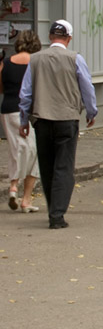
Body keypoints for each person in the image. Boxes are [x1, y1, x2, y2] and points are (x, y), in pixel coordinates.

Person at [18, 19, 98, 229]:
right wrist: (91, 112)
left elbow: (25, 93)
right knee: (63, 166)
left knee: (47, 167)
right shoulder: (75, 59)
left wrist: (23, 120)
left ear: (50, 37)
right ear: (69, 38)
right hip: (67, 118)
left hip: (41, 120)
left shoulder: (35, 59)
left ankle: (53, 208)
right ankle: (57, 215)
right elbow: (87, 87)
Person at [2, 29, 42, 212]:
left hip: (8, 109)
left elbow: (0, 86)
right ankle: (26, 199)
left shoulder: (6, 63)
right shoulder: (36, 63)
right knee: (34, 153)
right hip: (31, 111)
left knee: (15, 149)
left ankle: (13, 187)